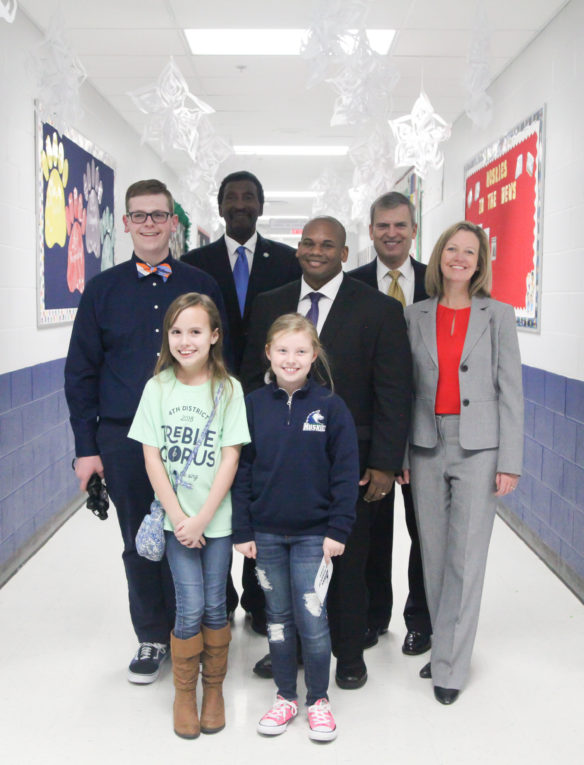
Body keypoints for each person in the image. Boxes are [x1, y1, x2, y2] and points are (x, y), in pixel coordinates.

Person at [64, 179, 228, 684]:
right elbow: (81, 371)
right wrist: (85, 449)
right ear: (126, 223)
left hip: (192, 436)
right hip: (125, 438)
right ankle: (153, 636)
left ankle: (194, 631)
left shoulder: (201, 285)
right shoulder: (102, 289)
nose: (151, 224)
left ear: (173, 223)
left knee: (195, 533)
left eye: (159, 215)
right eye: (140, 215)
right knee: (144, 539)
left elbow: (225, 362)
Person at [240, 216, 412, 690]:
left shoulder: (378, 308)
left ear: (344, 253)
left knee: (347, 561)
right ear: (298, 250)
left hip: (349, 463)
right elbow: (250, 378)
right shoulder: (268, 304)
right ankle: (289, 650)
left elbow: (394, 391)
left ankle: (349, 653)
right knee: (285, 567)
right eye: (309, 243)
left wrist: (383, 461)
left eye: (328, 245)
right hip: (279, 461)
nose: (317, 251)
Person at [398, 221, 523, 705]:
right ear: (439, 255)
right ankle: (445, 642)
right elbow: (407, 391)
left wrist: (509, 460)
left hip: (480, 448)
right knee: (433, 554)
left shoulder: (498, 315)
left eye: (469, 252)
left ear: (480, 262)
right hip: (427, 444)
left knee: (466, 557)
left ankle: (450, 664)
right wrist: (404, 451)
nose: (459, 258)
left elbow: (510, 391)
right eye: (452, 249)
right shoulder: (415, 315)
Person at [182, 170, 301, 631]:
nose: (240, 204)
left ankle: (258, 598)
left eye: (249, 197)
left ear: (261, 205)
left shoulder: (288, 261)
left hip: (266, 399)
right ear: (220, 205)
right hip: (204, 397)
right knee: (207, 493)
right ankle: (218, 598)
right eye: (231, 197)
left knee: (257, 497)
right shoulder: (195, 262)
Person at [232, 314, 358, 741]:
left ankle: (318, 700)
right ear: (268, 353)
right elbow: (241, 471)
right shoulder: (251, 405)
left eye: (301, 351)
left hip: (313, 536)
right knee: (278, 620)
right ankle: (285, 696)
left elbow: (345, 473)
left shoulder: (331, 407)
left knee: (312, 617)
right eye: (282, 350)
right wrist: (242, 529)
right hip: (265, 535)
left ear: (314, 355)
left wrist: (338, 530)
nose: (291, 359)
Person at [128, 293, 250, 738]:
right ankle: (185, 692)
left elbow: (231, 457)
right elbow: (151, 457)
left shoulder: (229, 389)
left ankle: (213, 690)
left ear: (214, 336)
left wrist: (203, 518)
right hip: (175, 523)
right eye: (176, 332)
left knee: (216, 603)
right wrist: (181, 518)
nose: (185, 341)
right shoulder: (157, 388)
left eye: (195, 331)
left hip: (215, 522)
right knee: (190, 603)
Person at [350, 191, 432, 656]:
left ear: (413, 230)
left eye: (400, 225)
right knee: (373, 531)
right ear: (371, 230)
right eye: (383, 225)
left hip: (426, 433)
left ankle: (420, 619)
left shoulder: (437, 283)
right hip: (372, 431)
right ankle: (371, 616)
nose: (392, 233)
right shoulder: (353, 282)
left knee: (425, 532)